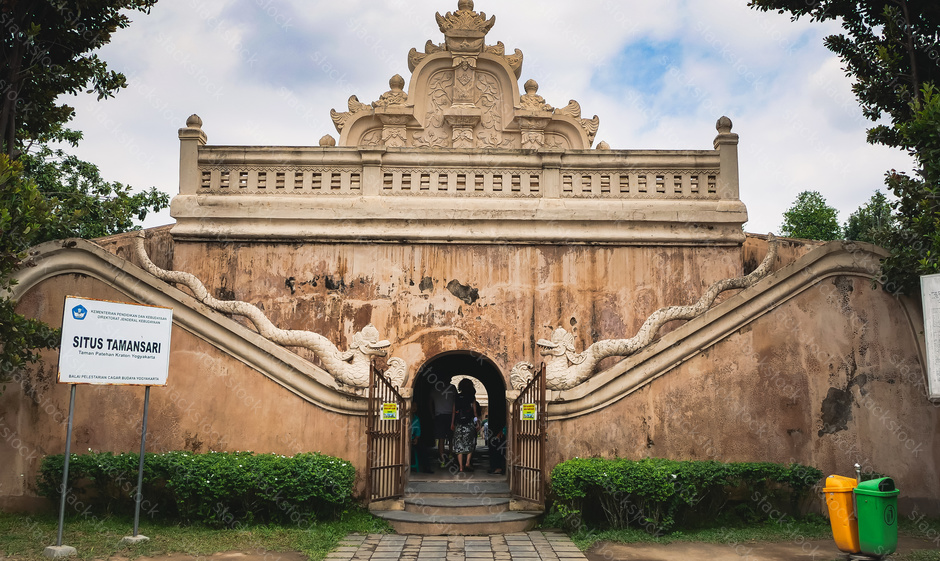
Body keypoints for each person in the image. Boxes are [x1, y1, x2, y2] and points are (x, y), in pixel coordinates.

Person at [451, 378, 479, 472]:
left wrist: (452, 423)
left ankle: (461, 467)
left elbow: (454, 411)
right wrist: (477, 423)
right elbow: (475, 412)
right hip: (469, 423)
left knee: (459, 444)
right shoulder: (472, 397)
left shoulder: (457, 397)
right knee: (470, 443)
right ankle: (467, 462)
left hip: (459, 424)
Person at [430, 378, 456, 466]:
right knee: (451, 438)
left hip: (439, 415)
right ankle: (451, 455)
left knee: (441, 439)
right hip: (450, 415)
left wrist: (432, 414)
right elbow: (455, 402)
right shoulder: (452, 388)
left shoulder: (434, 388)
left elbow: (429, 402)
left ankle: (442, 459)